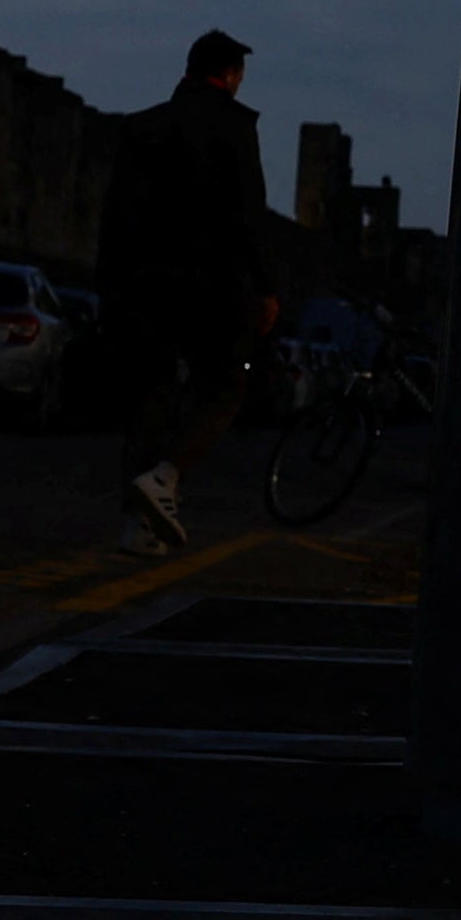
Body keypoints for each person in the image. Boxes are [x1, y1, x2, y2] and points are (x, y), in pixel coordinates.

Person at [95, 29, 276, 556]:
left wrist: (107, 284)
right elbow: (249, 212)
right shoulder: (233, 128)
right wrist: (266, 286)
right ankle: (167, 478)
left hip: (143, 283)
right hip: (212, 284)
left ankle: (138, 526)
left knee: (148, 396)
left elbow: (116, 214)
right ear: (231, 76)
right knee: (224, 388)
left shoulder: (144, 128)